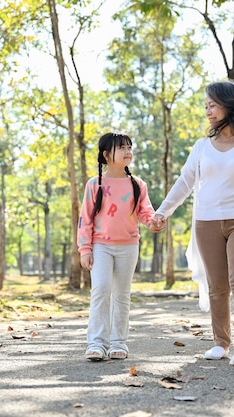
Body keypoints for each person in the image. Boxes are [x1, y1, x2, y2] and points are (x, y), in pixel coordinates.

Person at [152, 80, 234, 366]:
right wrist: (163, 211)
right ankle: (221, 343)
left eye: (212, 104)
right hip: (206, 222)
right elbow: (184, 182)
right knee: (217, 286)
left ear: (229, 104)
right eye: (206, 106)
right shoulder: (201, 147)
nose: (208, 111)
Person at [78, 132, 160, 361]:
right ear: (106, 155)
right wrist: (85, 249)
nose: (127, 151)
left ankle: (118, 343)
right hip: (100, 246)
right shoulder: (95, 184)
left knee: (122, 295)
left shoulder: (137, 184)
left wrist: (154, 222)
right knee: (101, 289)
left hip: (128, 246)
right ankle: (96, 343)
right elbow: (85, 218)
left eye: (129, 147)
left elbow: (146, 212)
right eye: (121, 147)